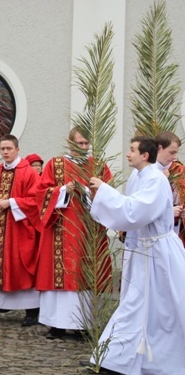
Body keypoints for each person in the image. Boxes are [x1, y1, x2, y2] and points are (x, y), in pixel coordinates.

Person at [87, 136, 185, 374]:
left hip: (159, 253)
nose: (127, 154)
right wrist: (98, 195)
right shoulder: (138, 176)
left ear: (146, 155)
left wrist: (105, 191)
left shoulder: (155, 179)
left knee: (162, 308)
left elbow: (135, 211)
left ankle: (152, 360)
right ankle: (116, 358)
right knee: (137, 305)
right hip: (142, 250)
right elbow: (129, 209)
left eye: (132, 150)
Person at [35, 128, 112, 340]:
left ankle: (83, 326)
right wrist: (62, 191)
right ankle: (56, 325)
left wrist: (88, 192)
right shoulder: (55, 164)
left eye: (87, 144)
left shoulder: (98, 165)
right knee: (60, 274)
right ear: (70, 143)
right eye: (79, 143)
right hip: (60, 227)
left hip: (88, 231)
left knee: (84, 275)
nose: (83, 148)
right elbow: (41, 193)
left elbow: (109, 193)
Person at [0, 135, 41, 326]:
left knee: (22, 267)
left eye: (9, 148)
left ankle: (32, 311)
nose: (5, 152)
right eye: (2, 149)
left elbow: (36, 200)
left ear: (17, 150)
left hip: (19, 229)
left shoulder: (29, 173)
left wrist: (10, 202)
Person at [154, 131, 185, 245]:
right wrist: (168, 212)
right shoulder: (145, 170)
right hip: (152, 235)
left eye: (176, 153)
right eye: (171, 153)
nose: (174, 157)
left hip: (177, 231)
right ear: (159, 148)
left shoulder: (181, 170)